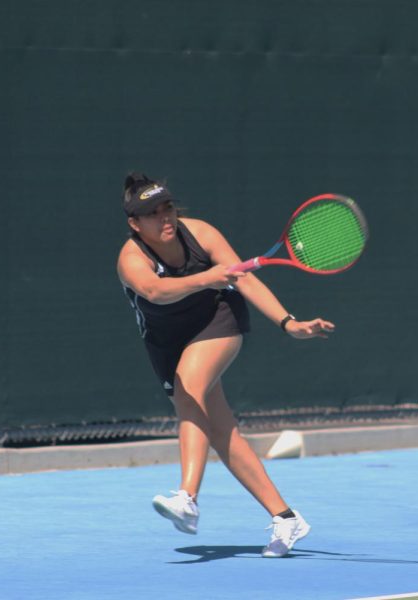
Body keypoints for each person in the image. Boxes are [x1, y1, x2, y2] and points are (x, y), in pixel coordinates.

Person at [116, 172, 334, 558]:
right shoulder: (131, 258)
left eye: (168, 208)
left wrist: (289, 323)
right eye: (152, 213)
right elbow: (155, 291)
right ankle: (286, 518)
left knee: (189, 388)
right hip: (166, 342)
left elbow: (244, 282)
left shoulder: (200, 233)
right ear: (135, 223)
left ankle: (187, 498)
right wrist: (206, 277)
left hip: (216, 320)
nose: (165, 218)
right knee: (220, 432)